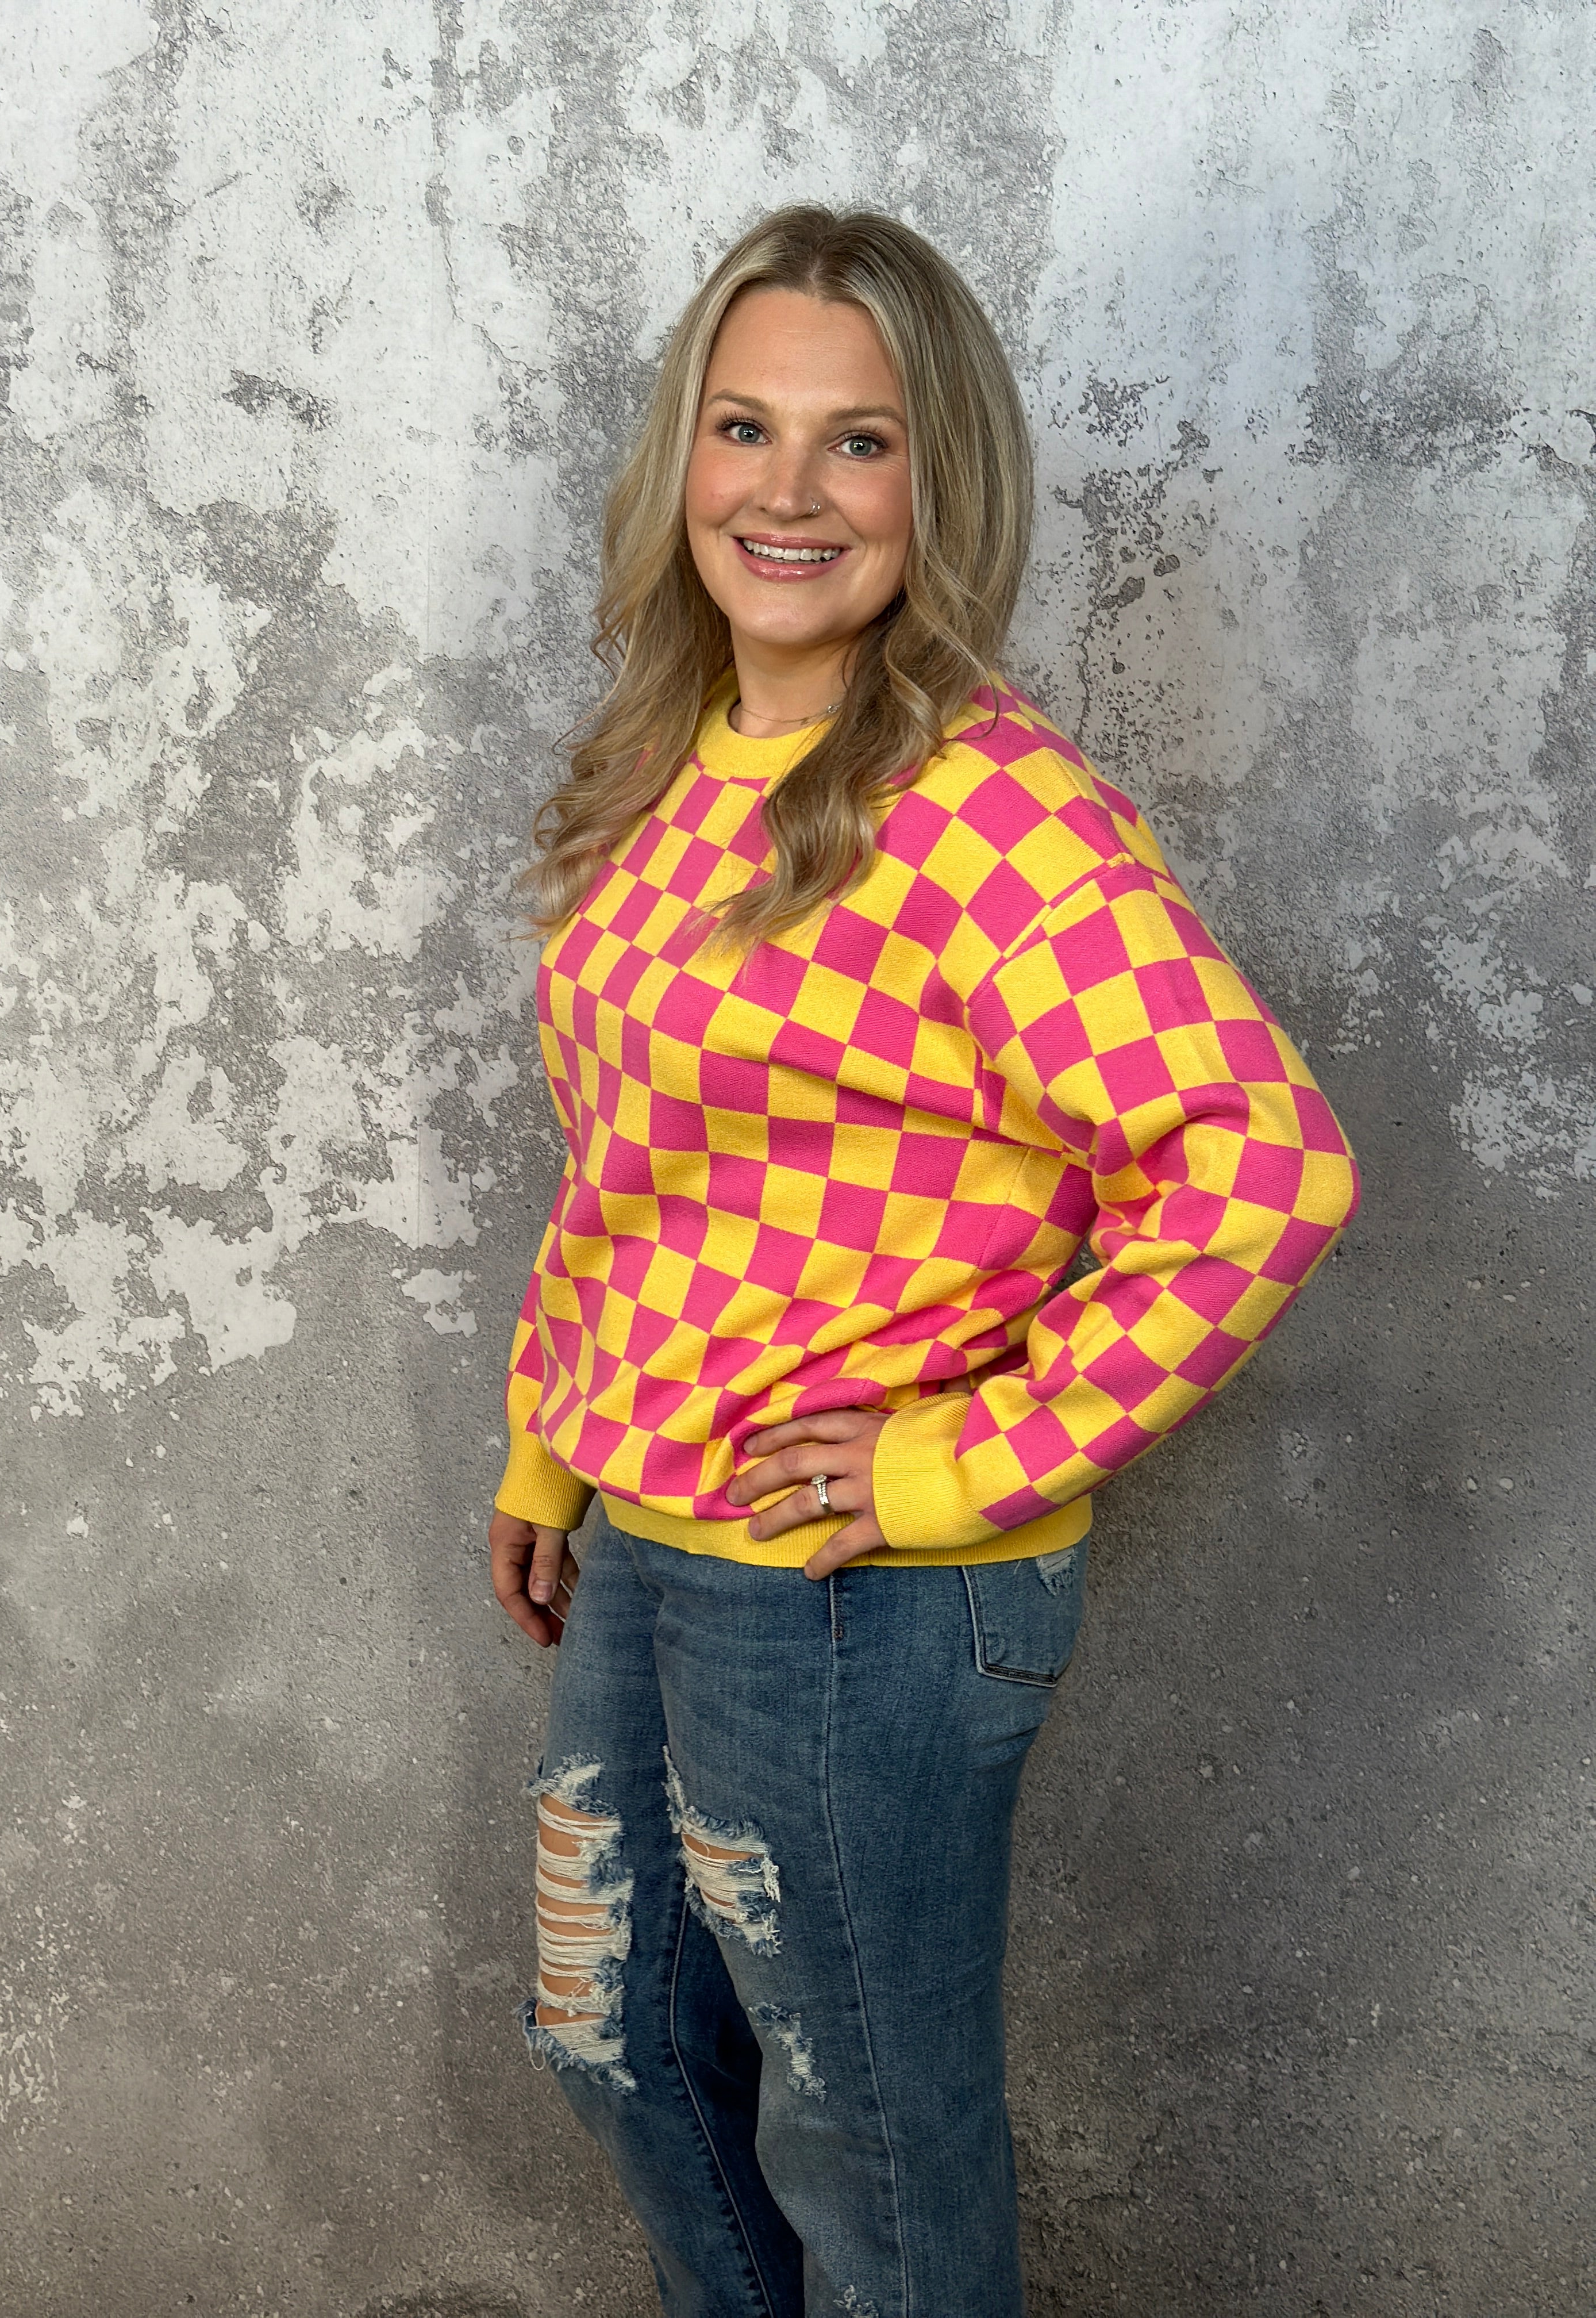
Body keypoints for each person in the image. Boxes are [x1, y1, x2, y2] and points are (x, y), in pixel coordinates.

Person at [487, 205, 1359, 2318]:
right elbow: (637, 1160)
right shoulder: (666, 761)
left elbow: (1263, 1168)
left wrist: (952, 1462)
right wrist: (550, 1444)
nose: (787, 490)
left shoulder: (991, 813)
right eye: (744, 426)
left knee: (862, 2133)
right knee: (616, 2042)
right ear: (681, 457)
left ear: (935, 482)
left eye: (857, 442)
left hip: (862, 1597)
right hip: (654, 1527)